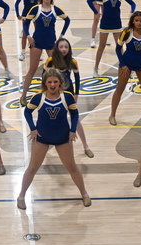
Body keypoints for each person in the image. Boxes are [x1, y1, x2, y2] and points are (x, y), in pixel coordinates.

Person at [17, 68, 91, 210]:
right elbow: (27, 112)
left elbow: (75, 114)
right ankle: (21, 196)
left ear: (60, 83)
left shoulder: (67, 96)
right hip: (42, 137)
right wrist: (32, 128)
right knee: (32, 168)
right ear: (45, 83)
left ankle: (84, 193)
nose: (52, 84)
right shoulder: (38, 97)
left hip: (62, 137)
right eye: (49, 82)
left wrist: (72, 130)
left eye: (55, 82)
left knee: (72, 168)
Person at [44, 37, 94, 158]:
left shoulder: (73, 61)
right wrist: (46, 94)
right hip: (54, 93)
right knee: (50, 117)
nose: (64, 49)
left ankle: (86, 146)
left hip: (68, 93)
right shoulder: (50, 61)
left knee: (75, 118)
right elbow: (44, 78)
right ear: (57, 48)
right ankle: (45, 145)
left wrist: (76, 94)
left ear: (69, 49)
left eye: (66, 47)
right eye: (61, 47)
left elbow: (77, 79)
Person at [107, 12, 141, 125]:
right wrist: (123, 65)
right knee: (119, 89)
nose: (139, 23)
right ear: (133, 21)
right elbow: (118, 48)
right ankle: (112, 115)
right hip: (126, 65)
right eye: (136, 20)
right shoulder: (126, 32)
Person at [20, 0, 71, 100]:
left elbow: (67, 20)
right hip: (36, 42)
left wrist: (61, 35)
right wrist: (28, 36)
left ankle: (59, 94)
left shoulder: (55, 9)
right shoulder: (35, 9)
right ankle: (23, 96)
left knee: (56, 69)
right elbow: (26, 23)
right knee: (32, 70)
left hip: (51, 43)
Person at [89, 0, 134, 75]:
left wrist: (132, 11)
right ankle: (96, 68)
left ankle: (125, 67)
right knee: (101, 46)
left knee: (119, 46)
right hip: (105, 24)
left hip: (117, 23)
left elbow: (133, 3)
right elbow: (89, 0)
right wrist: (95, 12)